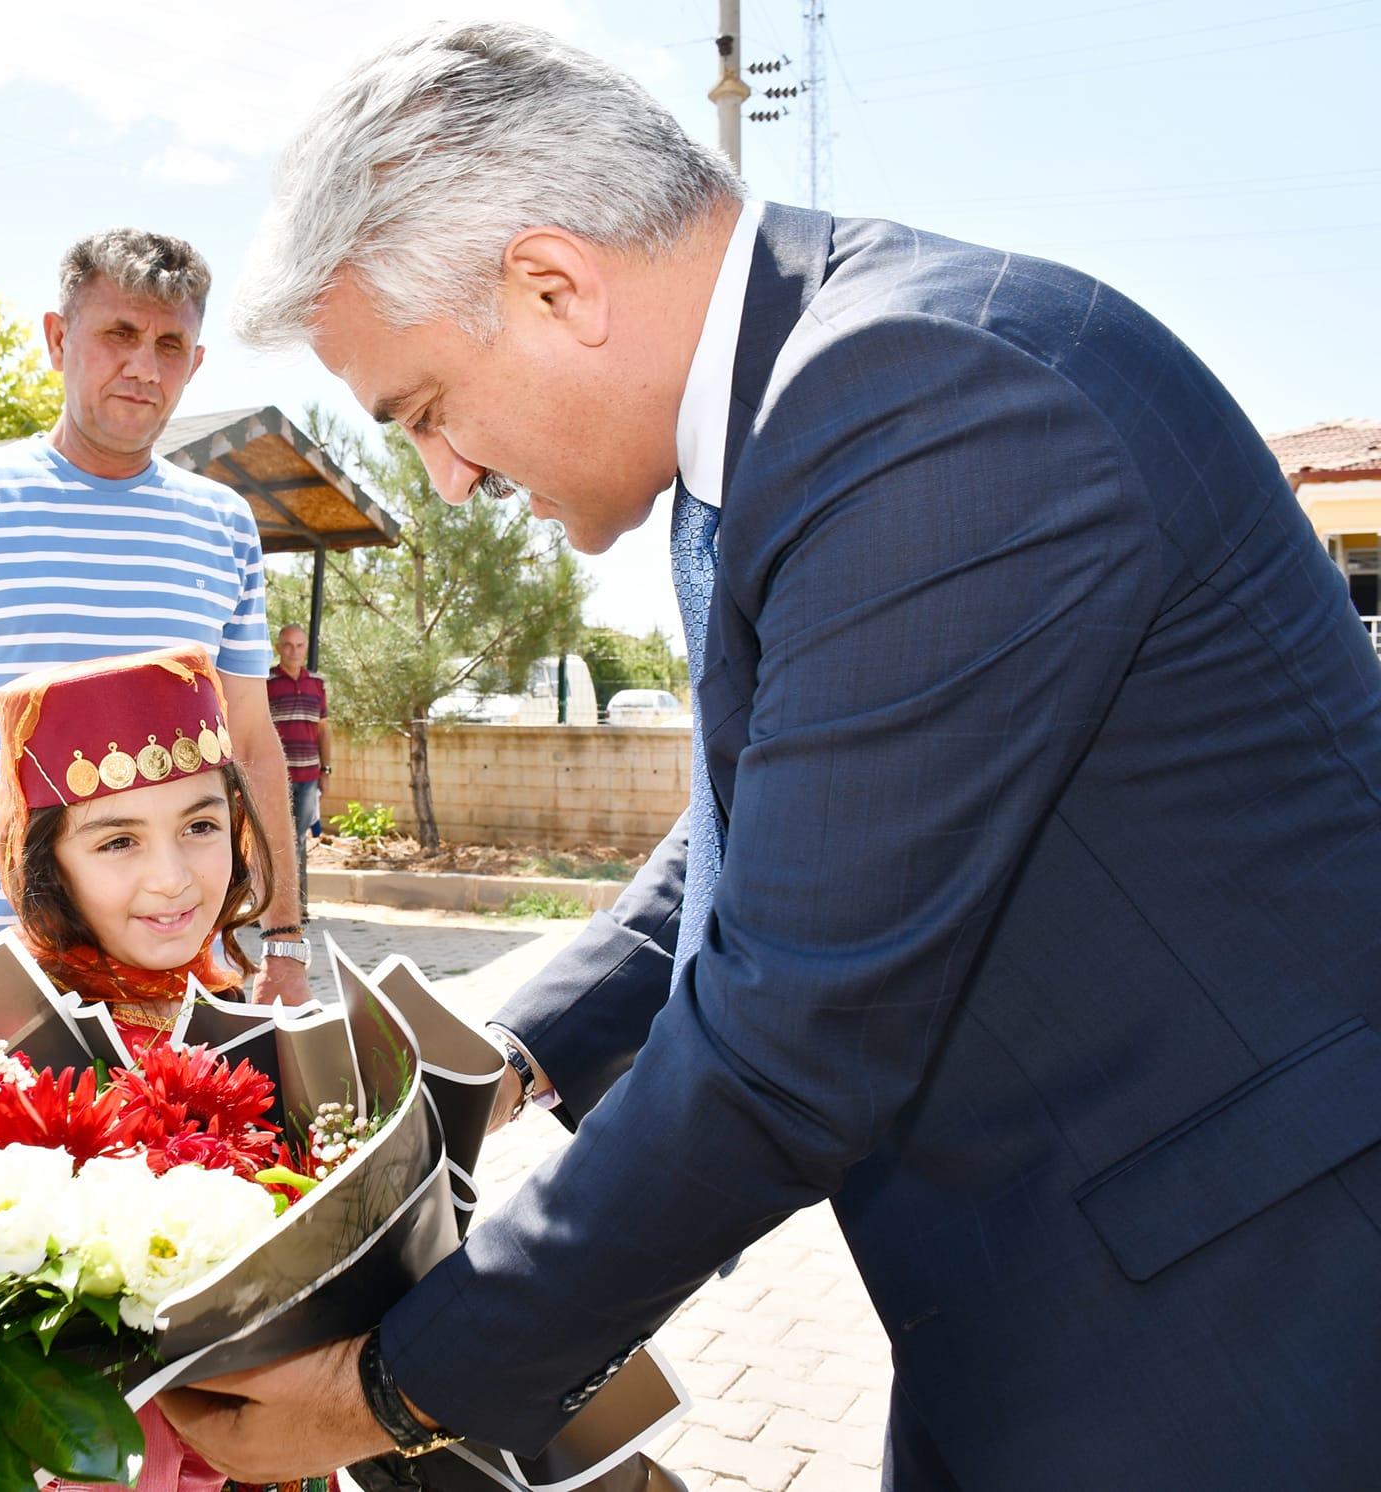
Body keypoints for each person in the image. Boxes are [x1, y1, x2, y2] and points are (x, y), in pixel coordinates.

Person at [160, 22, 1381, 1491]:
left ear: (552, 286)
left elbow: (793, 1036)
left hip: (1240, 1325)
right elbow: (776, 820)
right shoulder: (798, 417)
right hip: (1049, 1302)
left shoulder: (926, 399)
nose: (449, 479)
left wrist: (392, 1387)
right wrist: (491, 1061)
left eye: (424, 412)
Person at [0, 227, 307, 1022]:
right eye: (119, 334)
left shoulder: (225, 524)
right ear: (58, 340)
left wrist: (287, 942)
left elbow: (252, 743)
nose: (144, 367)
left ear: (196, 363)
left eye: (170, 345)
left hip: (178, 986)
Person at [0, 642, 321, 1492]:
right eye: (117, 841)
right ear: (45, 860)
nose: (172, 880)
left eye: (200, 827)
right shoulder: (17, 1069)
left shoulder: (237, 1018)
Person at [266, 623, 331, 919]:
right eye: (288, 645)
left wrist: (326, 770)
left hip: (308, 778)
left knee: (299, 841)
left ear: (306, 648)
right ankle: (268, 910)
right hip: (273, 778)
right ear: (279, 647)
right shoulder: (266, 683)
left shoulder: (317, 684)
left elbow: (324, 731)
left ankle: (297, 909)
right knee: (270, 840)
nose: (294, 651)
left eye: (300, 645)